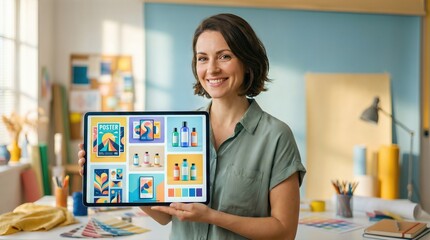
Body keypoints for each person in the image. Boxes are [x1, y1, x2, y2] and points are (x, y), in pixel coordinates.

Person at [78, 13, 306, 240]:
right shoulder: (178, 128)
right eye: (203, 58)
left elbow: (284, 232)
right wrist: (115, 174)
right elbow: (165, 216)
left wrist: (212, 216)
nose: (212, 69)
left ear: (247, 62)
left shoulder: (276, 136)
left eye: (224, 56)